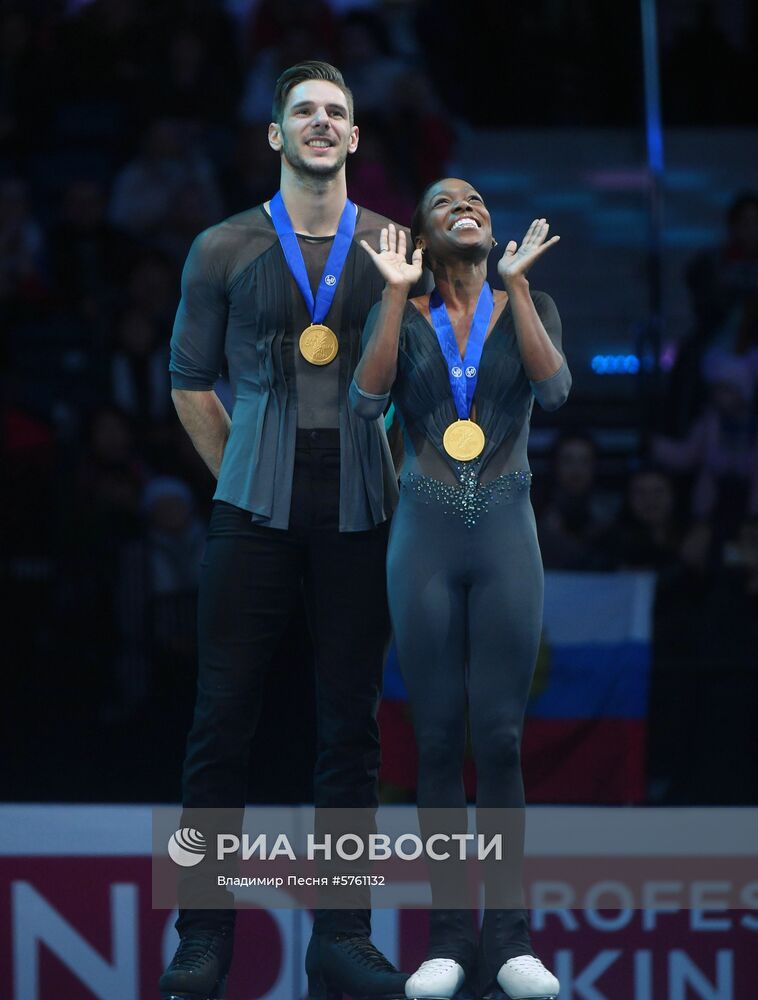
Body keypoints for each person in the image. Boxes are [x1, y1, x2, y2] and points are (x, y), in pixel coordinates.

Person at [161, 61, 411, 1000]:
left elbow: (417, 386)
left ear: (353, 139)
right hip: (252, 506)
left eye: (335, 113)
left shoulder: (394, 245)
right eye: (302, 110)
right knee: (221, 720)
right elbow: (189, 382)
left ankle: (343, 935)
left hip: (360, 505)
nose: (319, 122)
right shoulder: (222, 247)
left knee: (351, 728)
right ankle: (202, 937)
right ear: (275, 135)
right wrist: (241, 473)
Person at [352, 179, 569, 999]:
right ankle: (450, 938)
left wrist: (516, 287)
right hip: (425, 540)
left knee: (502, 739)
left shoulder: (532, 301)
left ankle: (510, 941)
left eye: (476, 197)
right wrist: (392, 298)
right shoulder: (402, 314)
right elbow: (367, 398)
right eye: (446, 202)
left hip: (508, 536)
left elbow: (555, 391)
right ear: (422, 235)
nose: (466, 203)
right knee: (438, 739)